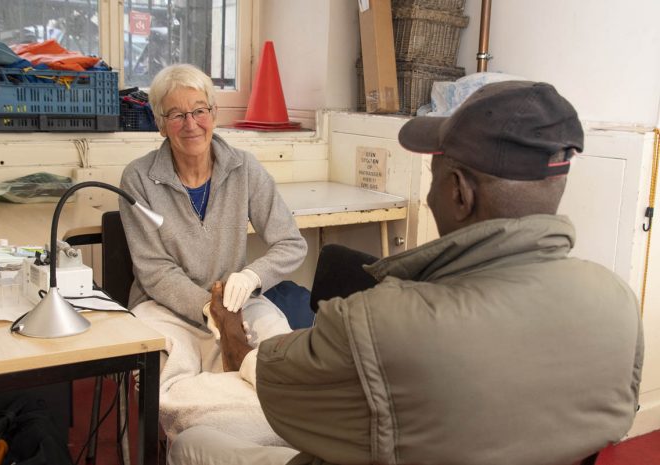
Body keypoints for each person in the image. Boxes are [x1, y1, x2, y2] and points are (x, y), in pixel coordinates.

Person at [209, 81, 644, 465]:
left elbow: (279, 395)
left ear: (459, 192)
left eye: (432, 176)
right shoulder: (617, 300)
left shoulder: (382, 323)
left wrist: (232, 332)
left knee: (196, 440)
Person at [118, 63, 308, 446]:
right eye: (176, 114)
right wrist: (209, 308)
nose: (191, 124)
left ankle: (233, 428)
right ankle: (244, 427)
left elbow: (291, 243)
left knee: (287, 368)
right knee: (168, 386)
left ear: (214, 114)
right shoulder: (138, 178)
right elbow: (155, 272)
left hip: (237, 302)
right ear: (159, 123)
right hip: (166, 308)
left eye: (199, 110)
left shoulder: (244, 168)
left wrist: (252, 277)